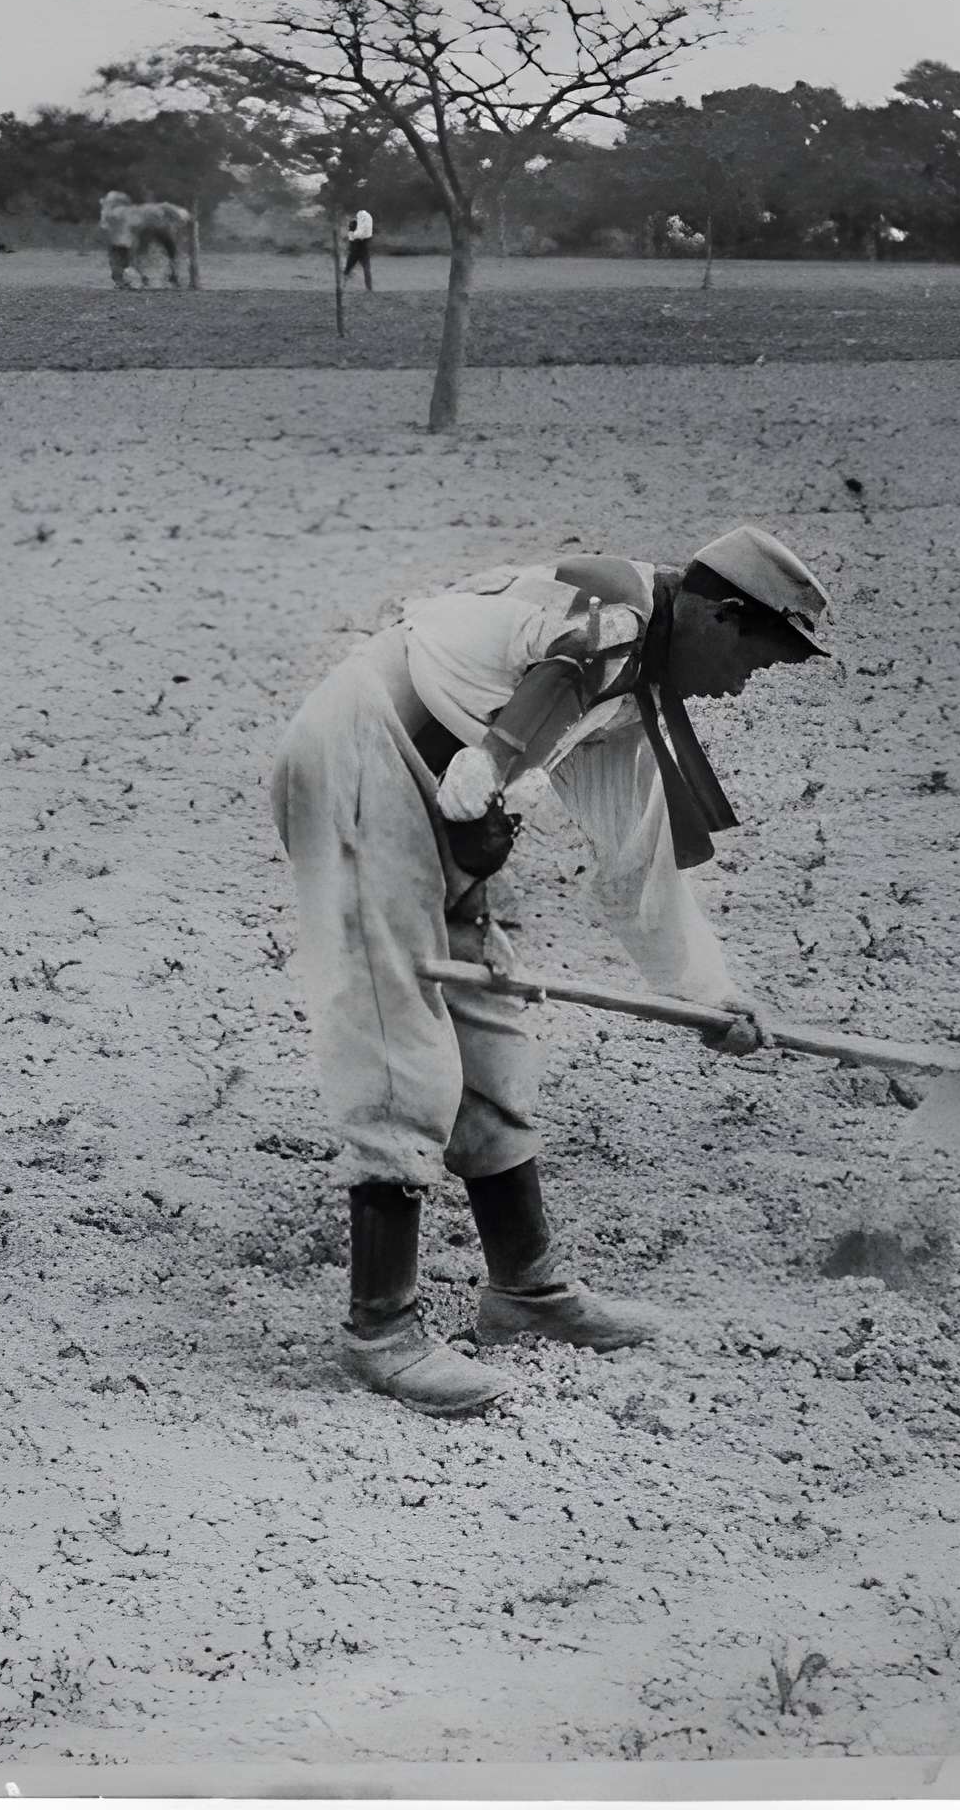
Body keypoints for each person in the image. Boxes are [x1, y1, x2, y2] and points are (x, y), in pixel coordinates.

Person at [269, 526, 834, 1415]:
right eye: (751, 661)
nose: (739, 686)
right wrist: (490, 786)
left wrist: (711, 994)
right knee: (396, 1029)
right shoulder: (609, 627)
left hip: (435, 796)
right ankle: (381, 1329)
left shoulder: (636, 678)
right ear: (720, 615)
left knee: (490, 1026)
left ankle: (524, 1290)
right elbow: (542, 697)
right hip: (363, 756)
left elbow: (639, 865)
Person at [342, 208, 374, 291]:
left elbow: (352, 239)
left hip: (357, 252)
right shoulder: (359, 226)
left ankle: (342, 286)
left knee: (349, 270)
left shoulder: (357, 225)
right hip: (360, 252)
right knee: (366, 270)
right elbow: (353, 237)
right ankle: (369, 288)